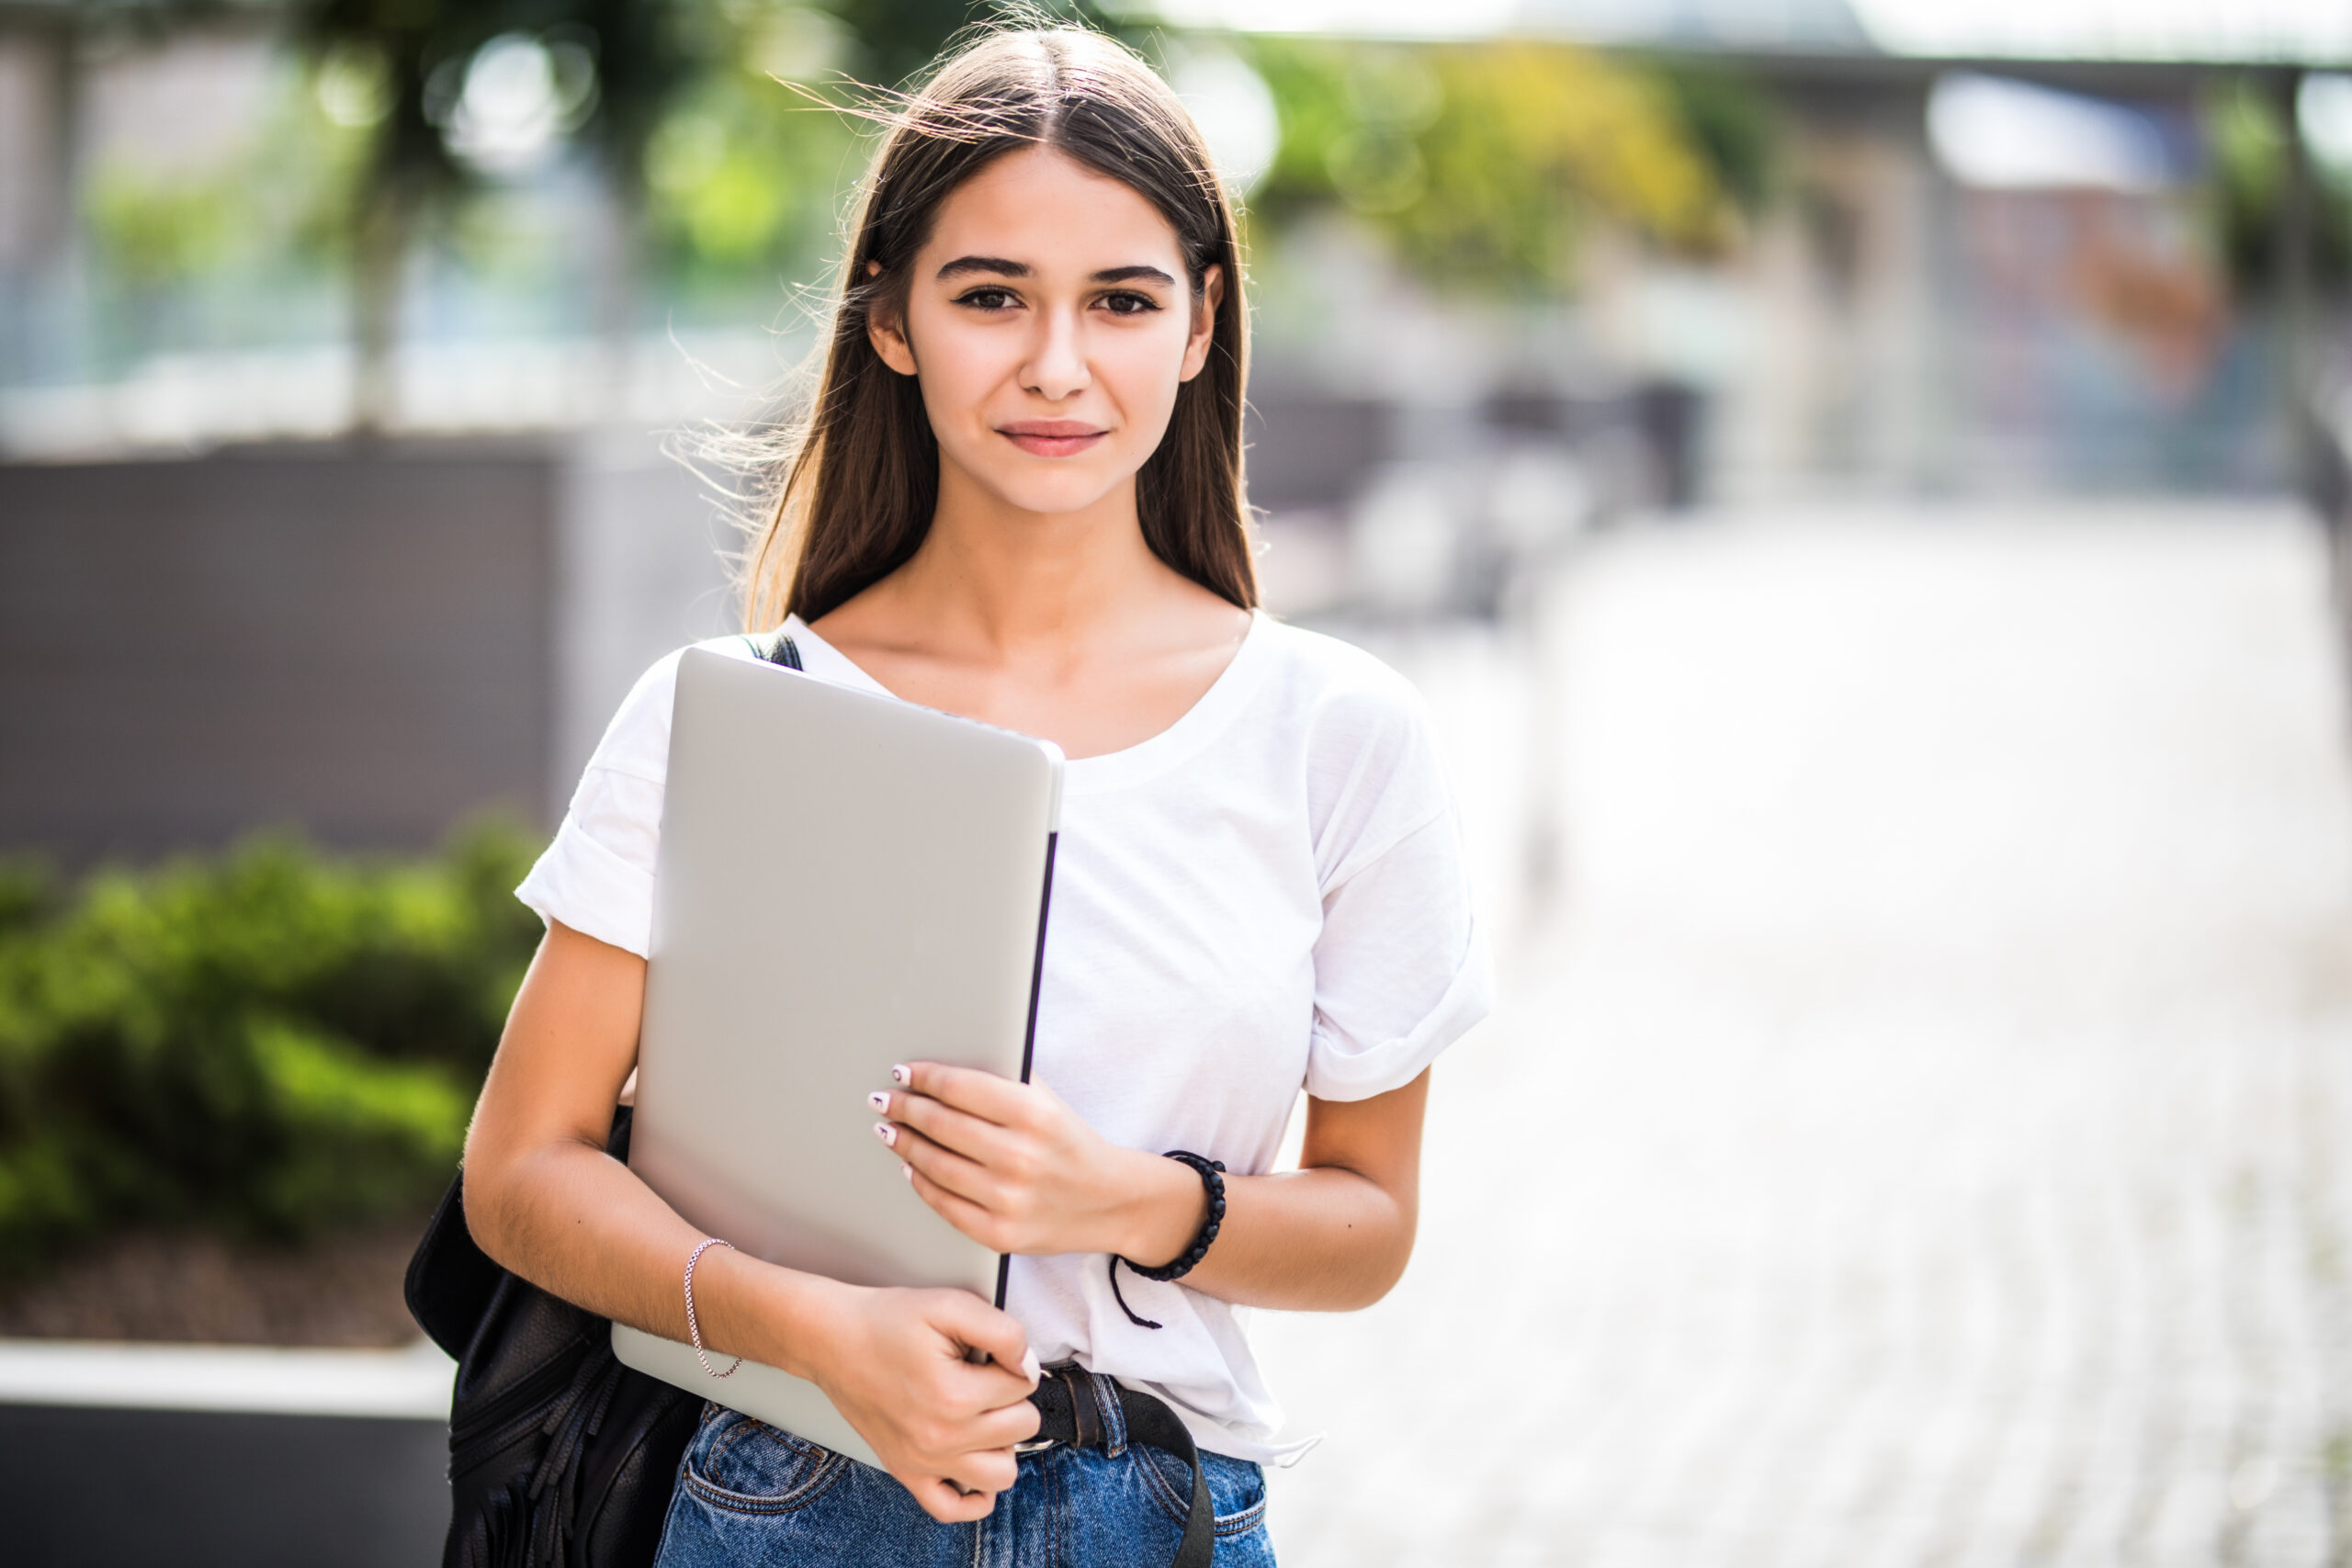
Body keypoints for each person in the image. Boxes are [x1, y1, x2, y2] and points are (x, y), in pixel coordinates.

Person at [459, 23, 1489, 1567]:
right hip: (780, 1496)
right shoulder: (733, 717)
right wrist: (814, 1330)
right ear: (891, 319)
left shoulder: (1336, 735)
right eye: (992, 295)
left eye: (1123, 301)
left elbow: (1370, 1228)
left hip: (1163, 1508)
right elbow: (519, 1173)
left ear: (1203, 327)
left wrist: (1123, 1199)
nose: (1057, 365)